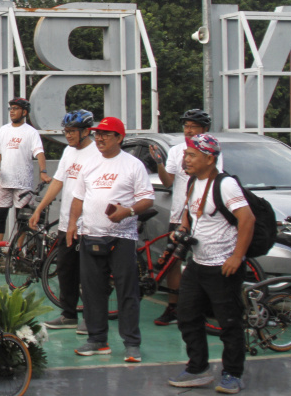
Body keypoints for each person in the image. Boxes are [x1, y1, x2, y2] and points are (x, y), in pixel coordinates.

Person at [168, 134, 255, 395]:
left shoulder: (225, 185)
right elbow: (191, 212)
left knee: (229, 322)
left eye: (192, 155)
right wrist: (183, 227)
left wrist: (237, 256)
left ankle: (233, 373)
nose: (186, 159)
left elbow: (247, 220)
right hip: (198, 263)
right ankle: (198, 368)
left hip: (223, 265)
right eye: (186, 155)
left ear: (210, 158)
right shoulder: (194, 182)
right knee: (186, 315)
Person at [67, 117, 154, 363]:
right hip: (90, 235)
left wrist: (128, 211)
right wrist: (73, 225)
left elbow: (147, 199)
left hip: (121, 238)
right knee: (93, 291)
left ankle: (131, 343)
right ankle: (97, 339)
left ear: (119, 138)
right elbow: (78, 198)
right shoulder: (90, 164)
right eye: (97, 134)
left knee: (127, 291)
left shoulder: (133, 165)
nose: (100, 139)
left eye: (106, 134)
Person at [148, 109, 221, 326]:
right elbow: (168, 182)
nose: (188, 131)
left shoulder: (212, 150)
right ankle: (173, 307)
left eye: (193, 127)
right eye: (186, 126)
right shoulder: (177, 150)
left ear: (204, 130)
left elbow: (211, 180)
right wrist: (159, 163)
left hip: (202, 217)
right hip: (179, 216)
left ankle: (207, 307)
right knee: (172, 262)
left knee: (205, 261)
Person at [28, 110, 98, 332]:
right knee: (66, 270)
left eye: (72, 132)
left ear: (86, 131)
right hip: (67, 222)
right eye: (65, 131)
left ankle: (91, 317)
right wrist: (39, 208)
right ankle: (69, 314)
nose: (67, 136)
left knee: (88, 274)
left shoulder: (98, 153)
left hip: (89, 224)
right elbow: (58, 182)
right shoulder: (68, 152)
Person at [0, 98, 50, 244]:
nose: (12, 111)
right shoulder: (4, 130)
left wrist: (43, 171)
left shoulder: (31, 132)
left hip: (23, 182)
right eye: (11, 108)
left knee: (21, 217)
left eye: (16, 108)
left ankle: (18, 250)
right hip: (4, 179)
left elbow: (39, 153)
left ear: (24, 112)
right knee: (1, 214)